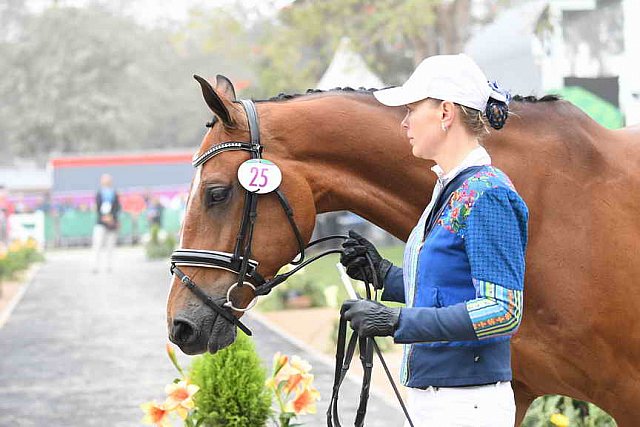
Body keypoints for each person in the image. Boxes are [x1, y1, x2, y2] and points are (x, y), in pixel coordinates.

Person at [339, 54, 529, 427]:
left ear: (445, 113)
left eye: (411, 109)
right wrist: (384, 275)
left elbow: (503, 311)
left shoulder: (486, 194)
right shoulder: (450, 189)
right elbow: (447, 288)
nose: (405, 122)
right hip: (440, 398)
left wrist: (397, 321)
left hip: (468, 403)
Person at [92, 173, 120, 273]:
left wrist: (112, 219)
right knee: (97, 245)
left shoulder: (114, 193)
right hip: (100, 223)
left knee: (110, 246)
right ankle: (95, 265)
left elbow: (117, 208)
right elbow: (97, 208)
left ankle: (109, 266)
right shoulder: (99, 194)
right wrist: (104, 218)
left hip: (112, 224)